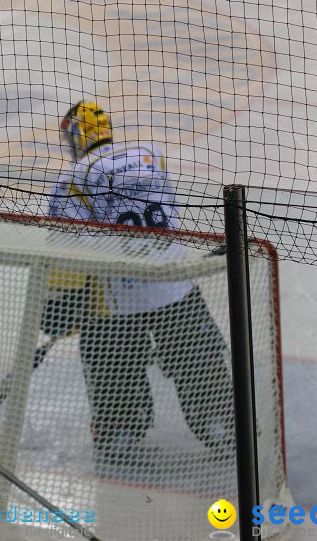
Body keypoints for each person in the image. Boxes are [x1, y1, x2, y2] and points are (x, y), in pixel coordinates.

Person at [44, 100, 234, 476]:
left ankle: (120, 429)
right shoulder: (152, 155)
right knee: (199, 359)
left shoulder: (73, 180)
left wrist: (60, 309)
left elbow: (69, 249)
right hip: (174, 284)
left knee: (109, 360)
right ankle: (220, 423)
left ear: (76, 137)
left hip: (117, 298)